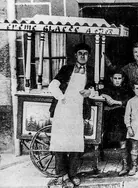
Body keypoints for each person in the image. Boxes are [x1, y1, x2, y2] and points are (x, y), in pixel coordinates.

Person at [48, 43, 94, 188]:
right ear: (75, 55)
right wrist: (61, 97)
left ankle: (73, 174)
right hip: (63, 108)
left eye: (85, 53)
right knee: (60, 142)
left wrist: (90, 92)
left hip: (78, 110)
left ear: (88, 56)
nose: (82, 56)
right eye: (80, 53)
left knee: (75, 143)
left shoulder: (92, 71)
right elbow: (52, 85)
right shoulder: (66, 69)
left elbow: (96, 87)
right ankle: (62, 175)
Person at [99, 69, 130, 176]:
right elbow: (99, 93)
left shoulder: (126, 89)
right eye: (115, 78)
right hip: (111, 117)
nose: (117, 81)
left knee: (123, 139)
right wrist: (106, 96)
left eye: (119, 78)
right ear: (111, 79)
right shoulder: (108, 89)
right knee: (103, 134)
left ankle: (125, 164)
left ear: (123, 79)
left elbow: (129, 101)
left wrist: (116, 102)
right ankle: (99, 160)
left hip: (122, 116)